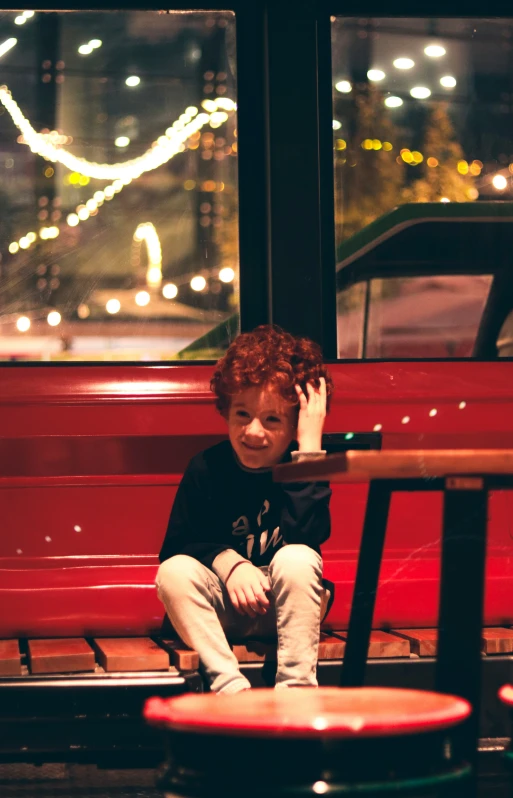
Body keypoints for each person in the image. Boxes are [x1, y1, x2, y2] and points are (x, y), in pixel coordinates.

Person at [156, 325, 333, 694]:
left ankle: (297, 691)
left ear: (296, 424)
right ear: (225, 412)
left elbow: (307, 537)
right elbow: (177, 547)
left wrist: (310, 448)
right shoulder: (207, 468)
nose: (254, 432)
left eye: (273, 419)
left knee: (298, 558)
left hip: (285, 611)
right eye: (242, 414)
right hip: (220, 611)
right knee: (172, 572)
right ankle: (230, 688)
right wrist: (231, 564)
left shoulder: (300, 466)